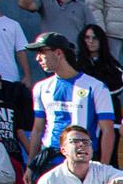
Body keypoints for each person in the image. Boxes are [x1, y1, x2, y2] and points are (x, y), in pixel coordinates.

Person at [27, 31, 115, 171]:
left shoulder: (96, 87)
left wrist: (102, 169)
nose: (38, 58)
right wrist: (31, 164)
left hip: (82, 161)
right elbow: (38, 129)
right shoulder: (41, 87)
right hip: (49, 161)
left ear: (59, 53)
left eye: (41, 52)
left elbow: (108, 130)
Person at [76, 23, 123, 115]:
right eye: (87, 38)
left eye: (95, 38)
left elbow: (118, 87)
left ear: (101, 40)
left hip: (107, 109)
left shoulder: (113, 66)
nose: (91, 41)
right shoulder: (74, 64)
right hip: (81, 109)